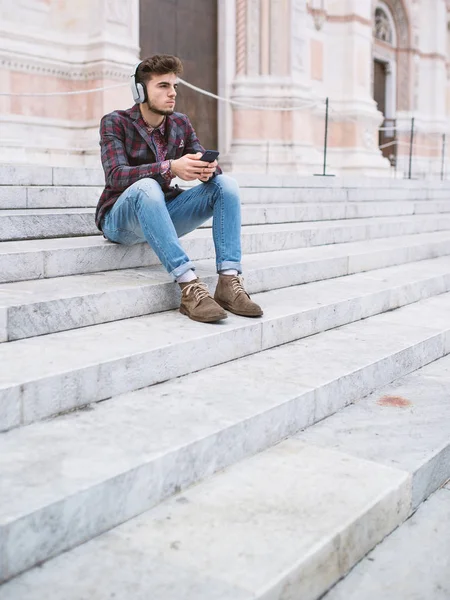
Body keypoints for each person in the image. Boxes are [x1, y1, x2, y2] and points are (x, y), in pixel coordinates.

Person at [96, 54, 263, 323]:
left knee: (225, 185)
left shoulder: (180, 123)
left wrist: (207, 170)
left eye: (174, 86)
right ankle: (189, 286)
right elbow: (116, 176)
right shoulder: (115, 122)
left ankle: (228, 282)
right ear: (140, 91)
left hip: (164, 212)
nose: (172, 93)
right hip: (121, 220)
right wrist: (170, 167)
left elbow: (208, 168)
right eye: (163, 86)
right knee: (148, 186)